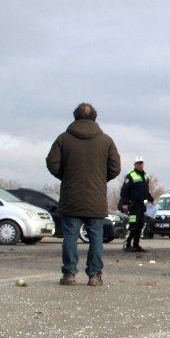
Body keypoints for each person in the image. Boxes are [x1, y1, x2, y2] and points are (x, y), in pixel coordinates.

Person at [46, 102, 122, 287]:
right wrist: (100, 179)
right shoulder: (106, 141)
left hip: (71, 197)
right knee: (96, 237)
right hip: (96, 198)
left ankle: (69, 274)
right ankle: (94, 276)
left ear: (75, 117)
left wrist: (66, 176)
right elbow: (115, 168)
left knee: (70, 237)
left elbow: (52, 163)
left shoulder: (63, 139)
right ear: (95, 118)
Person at [119, 157, 154, 252]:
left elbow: (146, 190)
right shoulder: (130, 175)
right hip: (133, 206)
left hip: (142, 206)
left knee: (140, 225)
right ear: (135, 165)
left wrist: (150, 199)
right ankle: (126, 245)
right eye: (138, 163)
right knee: (133, 225)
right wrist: (124, 203)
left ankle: (136, 245)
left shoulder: (145, 176)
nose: (140, 165)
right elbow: (124, 191)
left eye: (141, 163)